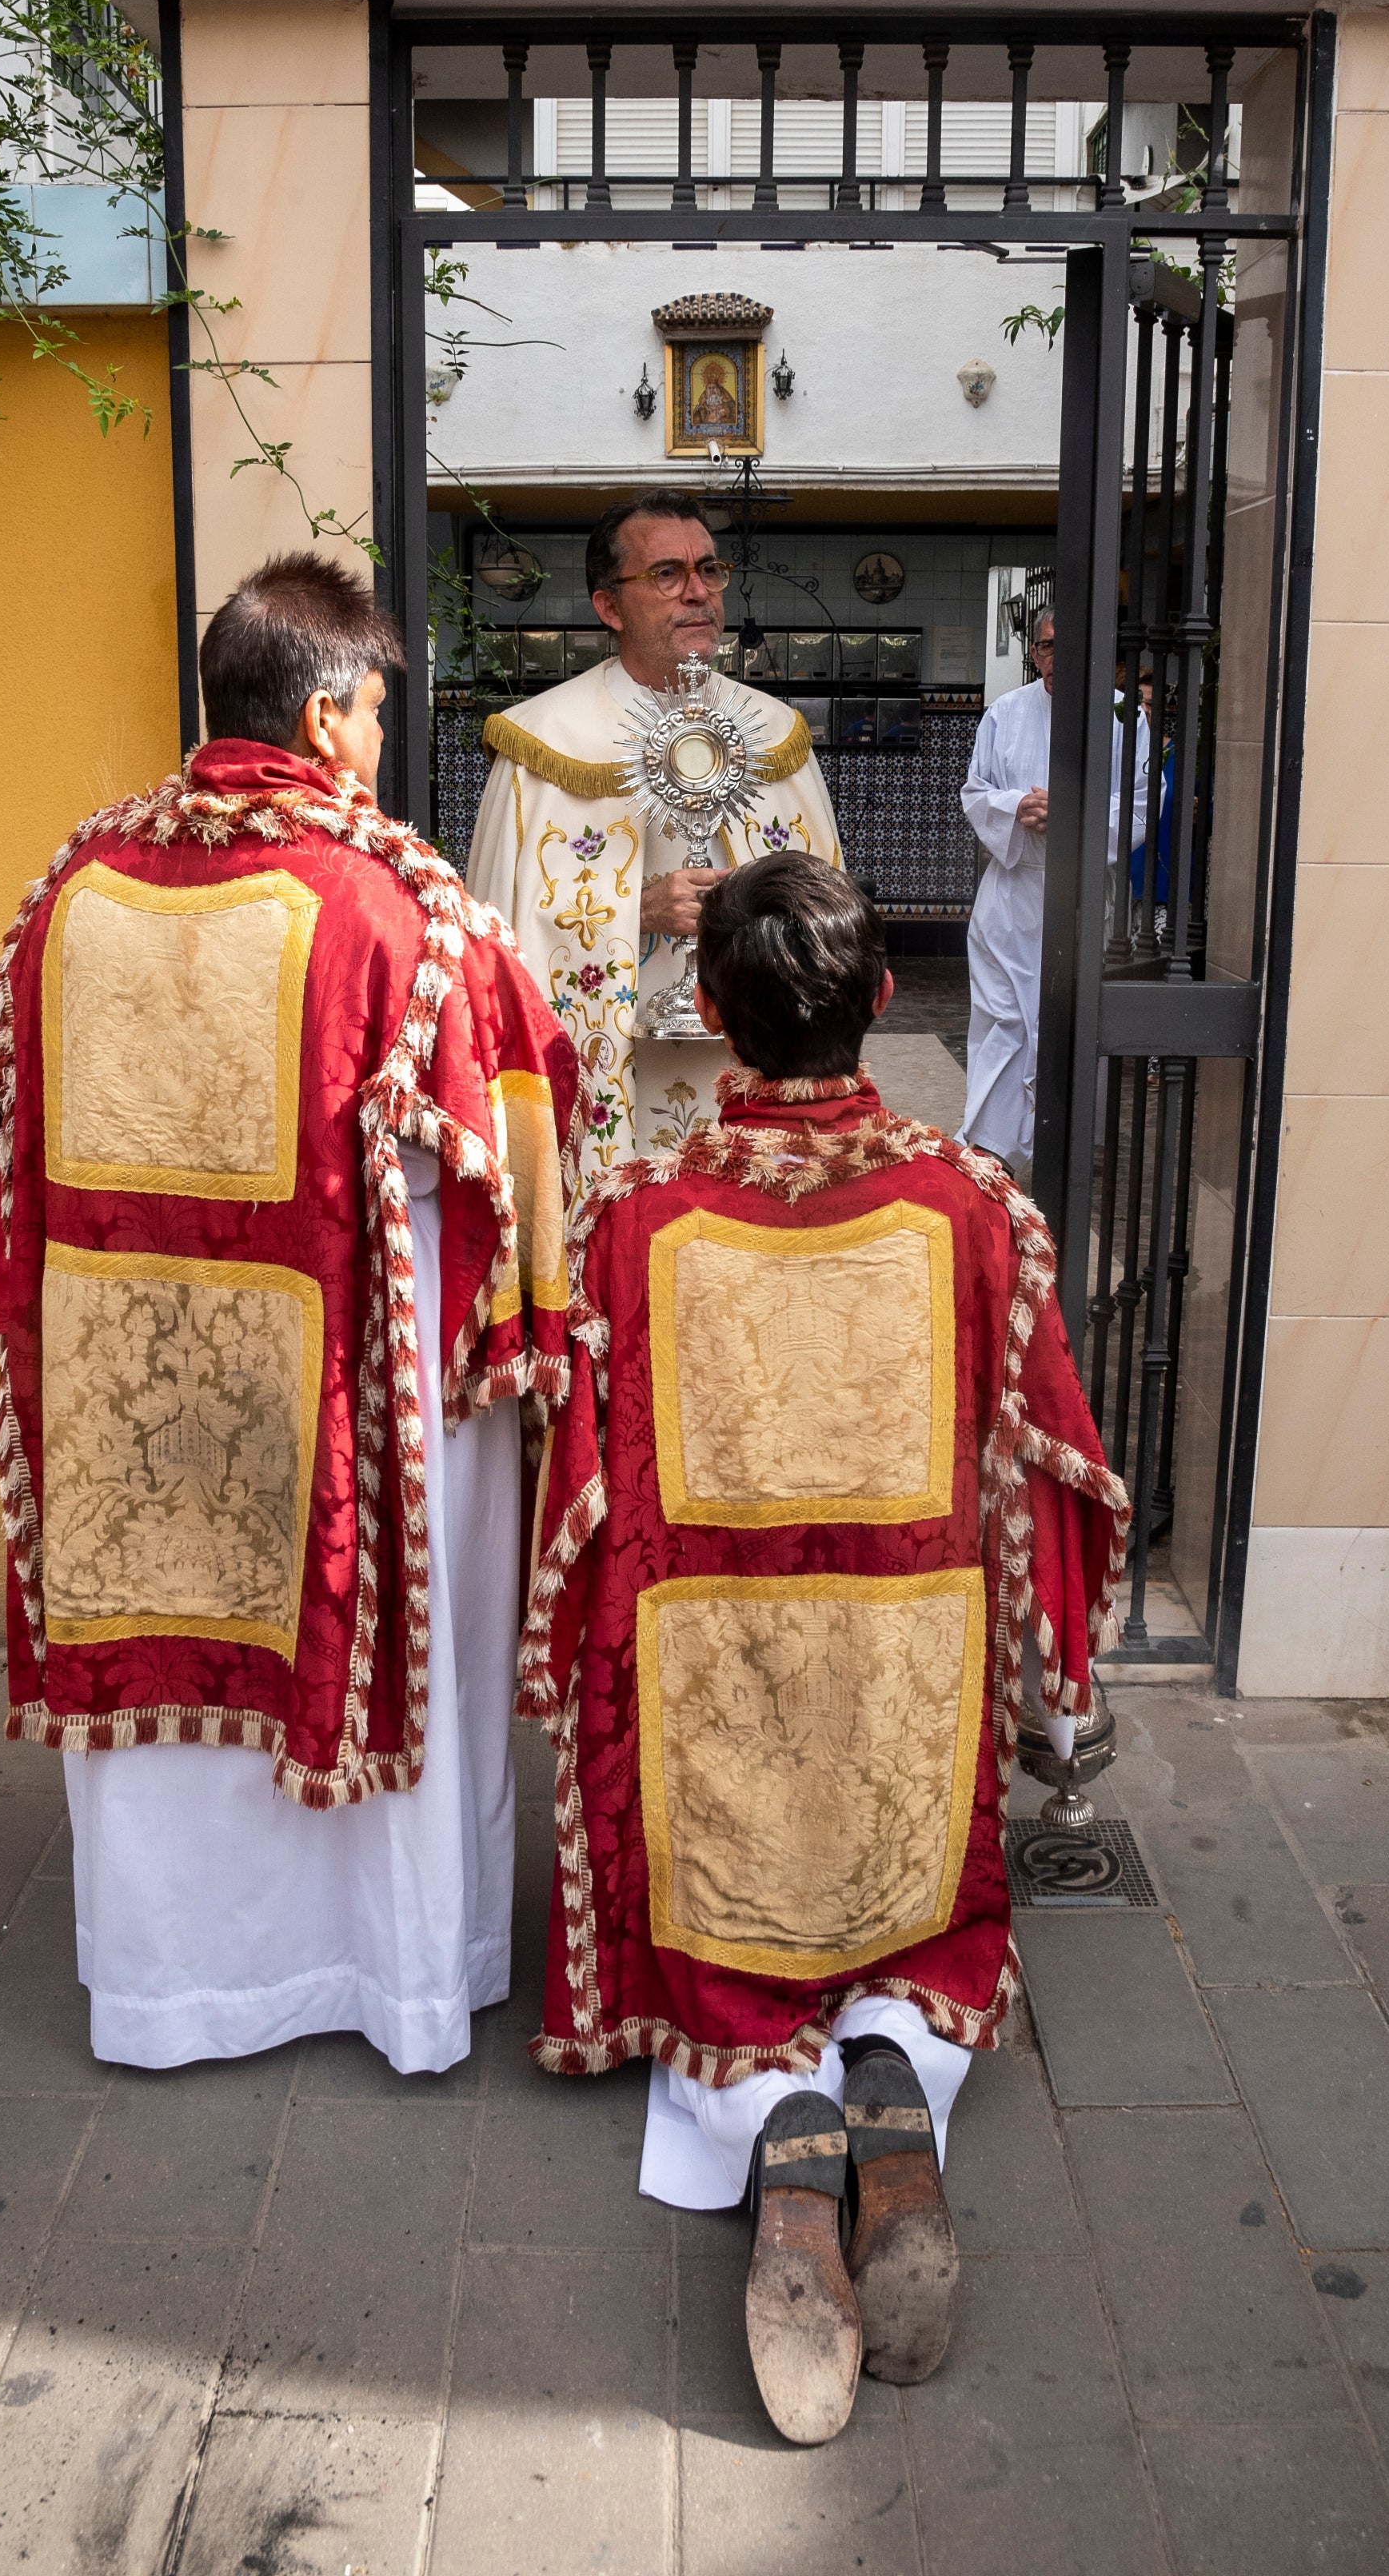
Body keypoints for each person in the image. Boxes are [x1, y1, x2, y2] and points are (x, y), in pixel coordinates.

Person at [0, 554, 577, 2074]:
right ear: (327, 718)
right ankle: (398, 1977)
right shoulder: (399, 903)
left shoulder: (74, 886)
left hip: (124, 1379)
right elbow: (519, 1127)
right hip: (365, 1367)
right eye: (372, 713)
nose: (376, 743)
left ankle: (169, 1991)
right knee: (387, 1612)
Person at [521, 852, 1125, 2444]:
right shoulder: (978, 1203)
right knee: (913, 1909)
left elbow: (573, 1493)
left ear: (707, 1010)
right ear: (880, 999)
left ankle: (771, 2125)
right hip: (903, 1692)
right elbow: (1056, 1466)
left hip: (704, 1682)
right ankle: (889, 2087)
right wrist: (1054, 1681)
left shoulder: (630, 1215)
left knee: (712, 1869)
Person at [465, 491, 841, 1184]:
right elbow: (495, 942)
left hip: (746, 1072)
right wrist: (634, 910)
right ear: (609, 606)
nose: (697, 592)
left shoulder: (776, 734)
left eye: (709, 569)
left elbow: (825, 920)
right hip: (614, 1079)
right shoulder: (542, 743)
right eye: (667, 574)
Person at [956, 607, 1149, 1187]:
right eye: (1047, 647)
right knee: (1005, 1017)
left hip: (1085, 890)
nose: (1057, 658)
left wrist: (1074, 818)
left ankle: (1069, 1135)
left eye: (1070, 646)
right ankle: (991, 1145)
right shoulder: (1004, 714)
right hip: (1014, 890)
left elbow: (1140, 802)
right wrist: (1019, 808)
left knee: (1072, 1013)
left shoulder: (1125, 721)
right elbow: (976, 791)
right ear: (1035, 653)